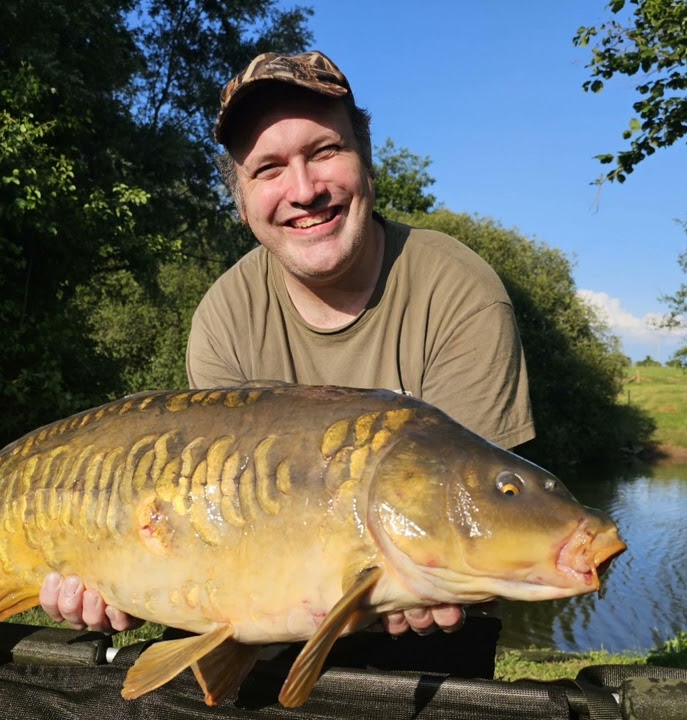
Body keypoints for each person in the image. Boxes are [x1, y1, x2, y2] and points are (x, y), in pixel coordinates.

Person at [39, 50, 535, 680]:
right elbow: (210, 532)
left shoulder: (458, 290)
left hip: (423, 628)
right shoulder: (226, 314)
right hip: (259, 606)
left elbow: (484, 521)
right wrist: (123, 579)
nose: (304, 190)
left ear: (366, 160)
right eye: (268, 169)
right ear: (242, 201)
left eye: (325, 151)